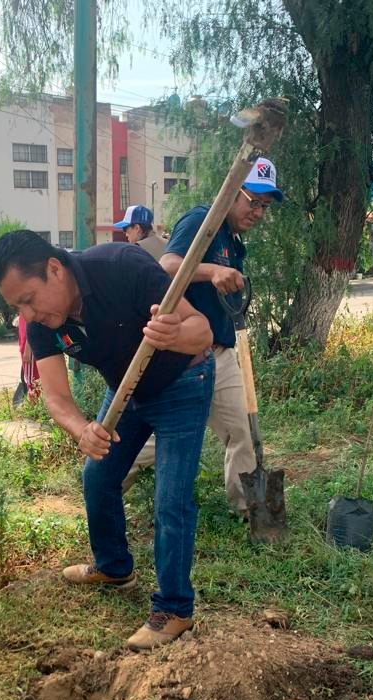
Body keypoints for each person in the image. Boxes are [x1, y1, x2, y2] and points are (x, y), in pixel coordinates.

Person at [0, 230, 214, 651]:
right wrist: (81, 429)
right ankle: (113, 567)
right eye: (17, 305)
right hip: (127, 392)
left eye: (29, 299)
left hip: (183, 382)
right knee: (98, 476)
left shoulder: (121, 267)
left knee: (171, 499)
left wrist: (172, 336)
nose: (27, 313)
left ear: (54, 269)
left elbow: (200, 332)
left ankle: (174, 610)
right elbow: (55, 396)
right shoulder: (40, 322)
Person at [126, 159, 284, 516]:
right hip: (188, 356)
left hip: (222, 352)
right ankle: (108, 481)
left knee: (243, 429)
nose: (258, 212)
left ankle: (249, 510)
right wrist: (212, 270)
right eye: (253, 200)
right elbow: (166, 266)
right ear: (231, 193)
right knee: (161, 436)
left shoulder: (233, 238)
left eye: (265, 206)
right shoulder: (203, 221)